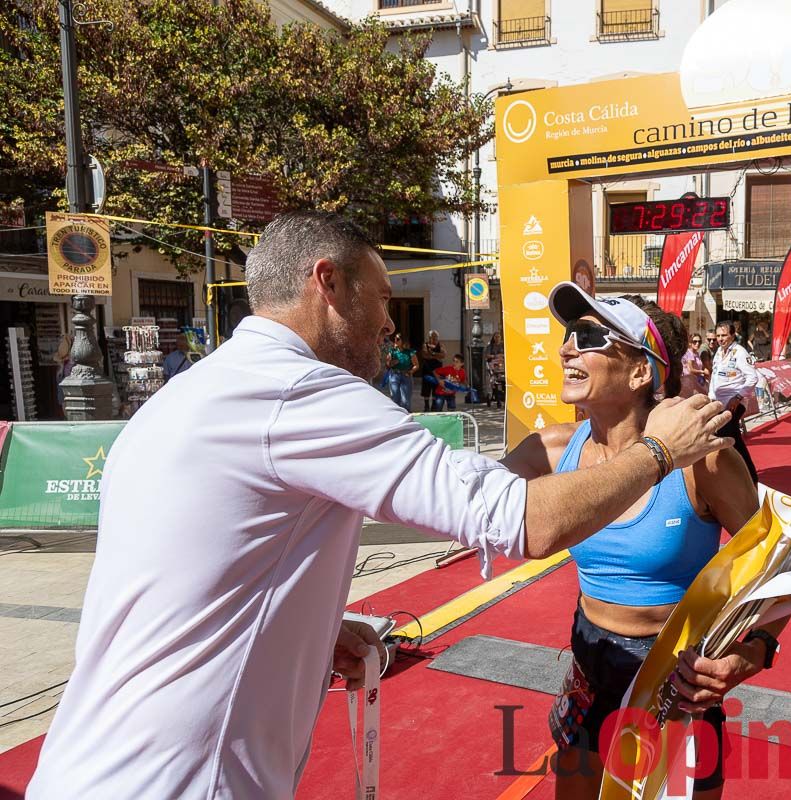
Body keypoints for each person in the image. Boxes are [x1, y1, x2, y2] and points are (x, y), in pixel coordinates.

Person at [26, 212, 733, 800]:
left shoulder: (187, 396)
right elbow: (527, 520)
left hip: (92, 765)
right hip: (181, 780)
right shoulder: (301, 395)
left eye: (593, 337)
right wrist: (658, 453)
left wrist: (307, 627)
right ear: (328, 285)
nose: (392, 326)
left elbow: (192, 571)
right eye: (383, 298)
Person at [502, 284, 773, 799]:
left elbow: (785, 562)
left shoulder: (706, 462)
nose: (566, 349)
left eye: (588, 337)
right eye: (567, 336)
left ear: (640, 371)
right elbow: (459, 492)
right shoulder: (551, 448)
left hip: (676, 674)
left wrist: (753, 653)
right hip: (590, 659)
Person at [709, 321, 759, 484]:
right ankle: (732, 474)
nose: (721, 339)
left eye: (724, 335)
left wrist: (738, 397)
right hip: (718, 403)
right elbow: (714, 377)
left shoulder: (740, 352)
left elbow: (752, 377)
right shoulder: (718, 352)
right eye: (718, 336)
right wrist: (710, 397)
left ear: (732, 335)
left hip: (733, 403)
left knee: (729, 436)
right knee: (725, 437)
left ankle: (751, 477)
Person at [386, 333, 417, 411]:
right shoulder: (392, 351)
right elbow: (387, 365)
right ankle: (396, 416)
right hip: (394, 375)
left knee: (405, 400)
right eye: (395, 339)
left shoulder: (410, 352)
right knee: (395, 396)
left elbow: (416, 365)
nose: (395, 341)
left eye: (398, 339)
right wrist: (393, 362)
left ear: (403, 341)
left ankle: (406, 417)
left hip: (406, 375)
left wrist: (410, 372)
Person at [418, 329, 446, 411]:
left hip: (438, 372)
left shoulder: (440, 345)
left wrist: (432, 354)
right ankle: (426, 406)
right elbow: (425, 355)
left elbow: (443, 355)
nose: (434, 339)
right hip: (427, 370)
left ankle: (434, 406)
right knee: (426, 389)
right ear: (429, 337)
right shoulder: (425, 345)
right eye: (432, 337)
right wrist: (437, 356)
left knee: (435, 389)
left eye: (435, 337)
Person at [680, 333, 707, 397]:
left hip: (696, 381)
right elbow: (691, 370)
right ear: (690, 343)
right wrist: (703, 372)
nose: (697, 343)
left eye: (699, 341)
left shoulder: (696, 353)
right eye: (695, 341)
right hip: (689, 383)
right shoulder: (689, 353)